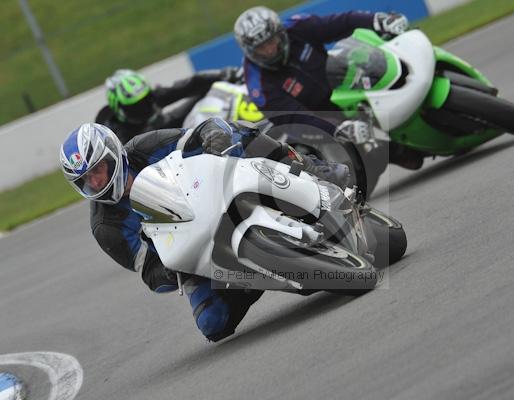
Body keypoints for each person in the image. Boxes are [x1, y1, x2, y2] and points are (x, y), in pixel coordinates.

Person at [59, 118, 349, 342]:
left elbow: (199, 134)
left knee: (242, 133)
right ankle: (252, 279)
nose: (96, 182)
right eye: (86, 180)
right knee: (213, 324)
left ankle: (312, 170)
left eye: (98, 170)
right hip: (195, 252)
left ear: (114, 155)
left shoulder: (145, 147)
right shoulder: (105, 227)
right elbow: (149, 273)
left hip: (214, 196)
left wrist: (214, 138)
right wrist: (174, 268)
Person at [233, 6, 424, 170]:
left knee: (384, 69)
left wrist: (377, 20)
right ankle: (391, 152)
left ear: (279, 32)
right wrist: (338, 130)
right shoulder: (258, 86)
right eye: (261, 48)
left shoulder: (297, 27)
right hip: (320, 119)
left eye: (271, 41)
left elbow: (341, 22)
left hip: (344, 86)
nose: (269, 50)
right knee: (367, 159)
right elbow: (296, 119)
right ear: (250, 51)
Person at [95, 67, 241, 144]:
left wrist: (224, 75)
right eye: (134, 107)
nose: (143, 108)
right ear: (118, 108)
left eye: (145, 100)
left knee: (204, 94)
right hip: (147, 153)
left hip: (163, 126)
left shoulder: (152, 98)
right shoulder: (115, 135)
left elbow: (189, 85)